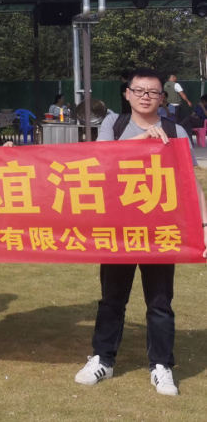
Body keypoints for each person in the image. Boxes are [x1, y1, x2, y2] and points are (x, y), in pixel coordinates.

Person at [74, 68, 207, 396]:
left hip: (161, 230)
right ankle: (103, 358)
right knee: (112, 299)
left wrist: (204, 225)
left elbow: (190, 183)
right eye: (140, 91)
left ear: (163, 97)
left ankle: (161, 365)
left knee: (160, 302)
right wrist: (142, 140)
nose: (146, 97)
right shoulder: (114, 124)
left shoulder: (175, 130)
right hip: (118, 229)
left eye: (153, 92)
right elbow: (100, 158)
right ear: (128, 94)